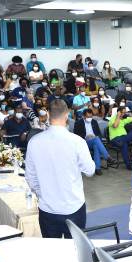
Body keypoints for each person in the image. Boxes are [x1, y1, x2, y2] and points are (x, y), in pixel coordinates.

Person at [25, 99, 95, 238]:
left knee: (52, 253)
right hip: (73, 207)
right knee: (76, 251)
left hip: (47, 208)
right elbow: (90, 170)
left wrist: (42, 194)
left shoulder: (34, 141)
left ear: (49, 114)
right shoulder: (77, 141)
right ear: (67, 115)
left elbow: (30, 177)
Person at [74, 109, 110, 175]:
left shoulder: (94, 122)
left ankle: (97, 168)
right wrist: (85, 137)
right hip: (84, 142)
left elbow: (99, 134)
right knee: (96, 140)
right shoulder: (78, 123)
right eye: (88, 117)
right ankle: (107, 157)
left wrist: (93, 136)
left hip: (94, 140)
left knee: (96, 144)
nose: (89, 118)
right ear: (83, 116)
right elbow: (76, 135)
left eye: (91, 117)